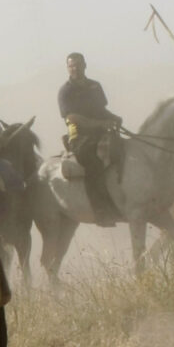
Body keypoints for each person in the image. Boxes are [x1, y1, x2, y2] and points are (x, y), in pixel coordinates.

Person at [58, 53, 124, 226]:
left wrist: (115, 118)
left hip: (101, 133)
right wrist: (101, 124)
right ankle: (101, 210)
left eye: (78, 64)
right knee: (93, 164)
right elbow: (72, 117)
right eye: (71, 65)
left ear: (85, 65)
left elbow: (101, 110)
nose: (75, 68)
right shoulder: (65, 91)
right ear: (67, 68)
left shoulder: (95, 86)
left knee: (124, 152)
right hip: (80, 138)